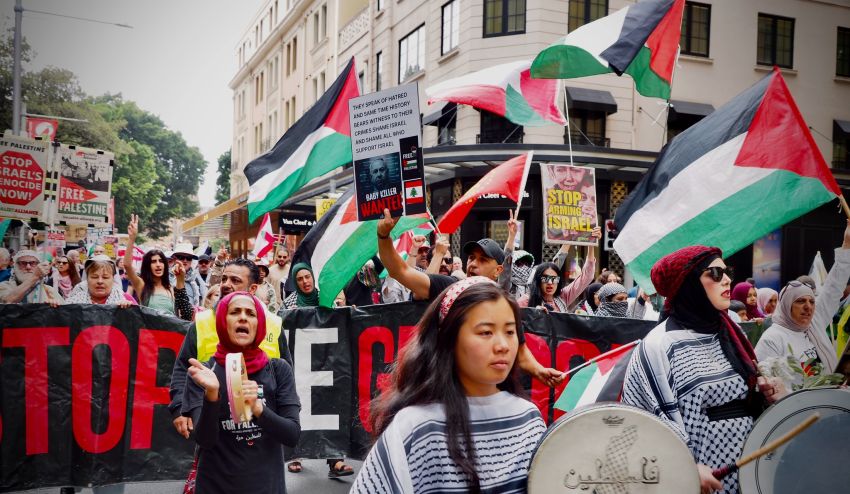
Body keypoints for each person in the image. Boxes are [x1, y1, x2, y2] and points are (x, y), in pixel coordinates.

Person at [351, 278, 545, 493]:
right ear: (449, 339)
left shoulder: (529, 419)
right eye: (485, 332)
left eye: (510, 332)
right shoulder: (416, 428)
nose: (502, 346)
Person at [622, 246, 786, 494]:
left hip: (750, 468)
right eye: (715, 273)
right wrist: (681, 466)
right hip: (698, 478)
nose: (728, 279)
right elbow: (640, 424)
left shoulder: (731, 330)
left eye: (727, 271)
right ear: (688, 283)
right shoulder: (658, 345)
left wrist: (770, 394)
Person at [377, 209, 564, 388]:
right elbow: (400, 271)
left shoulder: (504, 305)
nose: (473, 264)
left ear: (498, 270)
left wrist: (539, 371)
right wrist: (384, 236)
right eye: (472, 258)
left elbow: (521, 351)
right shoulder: (449, 287)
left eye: (483, 260)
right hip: (445, 389)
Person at [185, 292, 300, 494]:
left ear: (259, 324)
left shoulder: (278, 369)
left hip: (266, 486)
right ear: (222, 321)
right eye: (235, 312)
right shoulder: (204, 373)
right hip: (215, 486)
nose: (243, 317)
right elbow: (204, 440)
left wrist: (258, 409)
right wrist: (212, 395)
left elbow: (291, 435)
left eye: (250, 313)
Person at [170, 258, 291, 440]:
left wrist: (282, 414)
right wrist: (179, 407)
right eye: (224, 279)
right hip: (212, 424)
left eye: (235, 281)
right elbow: (182, 367)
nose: (226, 285)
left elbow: (287, 373)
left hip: (263, 427)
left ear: (252, 289)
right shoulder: (202, 322)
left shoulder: (273, 324)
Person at [281, 262, 354, 477]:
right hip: (301, 363)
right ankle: (296, 455)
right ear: (295, 281)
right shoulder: (290, 303)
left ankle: (335, 459)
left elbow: (342, 320)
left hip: (329, 360)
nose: (305, 282)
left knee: (331, 407)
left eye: (307, 277)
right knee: (299, 407)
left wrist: (347, 311)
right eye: (300, 278)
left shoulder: (327, 297)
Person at [754, 222, 850, 383]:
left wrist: (847, 245)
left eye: (812, 302)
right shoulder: (772, 339)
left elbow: (833, 288)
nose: (808, 307)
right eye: (800, 301)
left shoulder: (814, 323)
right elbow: (765, 386)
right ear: (786, 306)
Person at [125, 216, 193, 320]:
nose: (158, 264)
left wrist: (180, 279)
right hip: (148, 334)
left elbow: (186, 315)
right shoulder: (142, 285)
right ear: (148, 266)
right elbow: (127, 266)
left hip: (170, 334)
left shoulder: (171, 288)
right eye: (153, 261)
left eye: (161, 261)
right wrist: (132, 238)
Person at [66, 256, 135, 306]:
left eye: (105, 277)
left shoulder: (126, 299)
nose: (100, 281)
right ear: (87, 279)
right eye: (94, 277)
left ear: (113, 279)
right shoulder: (73, 301)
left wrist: (130, 310)